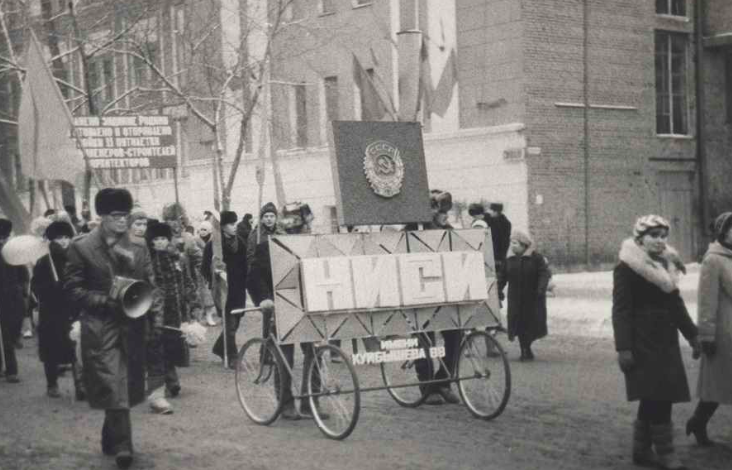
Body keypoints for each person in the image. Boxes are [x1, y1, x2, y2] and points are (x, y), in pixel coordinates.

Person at [64, 188, 163, 469]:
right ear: (102, 216)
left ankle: (111, 434)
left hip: (133, 324)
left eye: (125, 215)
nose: (123, 221)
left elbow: (152, 286)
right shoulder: (81, 246)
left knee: (127, 385)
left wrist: (155, 320)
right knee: (113, 380)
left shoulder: (139, 246)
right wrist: (105, 301)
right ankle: (124, 446)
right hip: (100, 324)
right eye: (116, 216)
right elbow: (72, 289)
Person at [612, 214, 700, 470]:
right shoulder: (627, 268)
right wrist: (623, 347)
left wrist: (692, 335)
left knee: (655, 397)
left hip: (666, 341)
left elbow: (676, 304)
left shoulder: (666, 265)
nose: (660, 241)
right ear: (639, 238)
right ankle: (665, 453)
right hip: (642, 342)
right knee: (658, 396)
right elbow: (621, 310)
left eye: (663, 236)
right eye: (654, 236)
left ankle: (641, 450)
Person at [246, 202, 320, 419]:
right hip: (281, 304)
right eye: (299, 224)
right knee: (285, 356)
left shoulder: (311, 247)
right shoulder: (267, 245)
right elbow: (253, 275)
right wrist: (264, 299)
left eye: (305, 225)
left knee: (314, 352)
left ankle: (311, 401)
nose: (303, 228)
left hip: (307, 305)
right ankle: (285, 403)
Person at [412, 191, 463, 406]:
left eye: (446, 212)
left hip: (446, 291)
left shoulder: (449, 232)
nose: (444, 216)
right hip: (420, 291)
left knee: (455, 334)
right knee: (424, 338)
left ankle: (443, 382)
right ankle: (426, 385)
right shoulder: (414, 231)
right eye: (440, 212)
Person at [686, 211, 732, 447]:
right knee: (717, 385)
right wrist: (706, 335)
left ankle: (697, 422)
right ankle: (698, 421)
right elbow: (706, 301)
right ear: (723, 232)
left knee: (722, 384)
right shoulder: (713, 260)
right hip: (724, 335)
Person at [146, 221, 199, 412]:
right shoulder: (148, 261)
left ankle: (170, 377)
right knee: (158, 345)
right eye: (156, 239)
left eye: (163, 239)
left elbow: (188, 281)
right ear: (150, 242)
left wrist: (193, 303)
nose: (160, 242)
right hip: (156, 311)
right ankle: (170, 380)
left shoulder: (178, 258)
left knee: (174, 343)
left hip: (176, 309)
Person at [32, 221, 85, 399]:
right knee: (51, 349)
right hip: (52, 312)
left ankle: (80, 385)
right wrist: (52, 288)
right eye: (59, 238)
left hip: (73, 308)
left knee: (76, 345)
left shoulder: (77, 258)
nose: (63, 241)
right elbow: (36, 287)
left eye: (66, 237)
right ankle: (52, 383)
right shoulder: (43, 262)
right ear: (51, 240)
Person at [203, 210, 247, 368]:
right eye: (231, 224)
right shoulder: (213, 246)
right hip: (223, 290)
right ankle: (232, 357)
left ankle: (219, 348)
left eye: (235, 223)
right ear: (222, 227)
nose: (234, 227)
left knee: (236, 323)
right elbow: (204, 267)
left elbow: (245, 264)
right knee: (230, 324)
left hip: (239, 289)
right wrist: (214, 275)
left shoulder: (240, 242)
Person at [497, 230, 550, 360]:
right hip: (515, 298)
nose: (512, 245)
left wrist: (541, 289)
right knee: (519, 324)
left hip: (532, 298)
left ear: (523, 245)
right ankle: (524, 349)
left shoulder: (536, 258)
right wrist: (498, 291)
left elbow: (544, 274)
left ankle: (527, 346)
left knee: (531, 324)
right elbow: (502, 277)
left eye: (515, 243)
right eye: (511, 243)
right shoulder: (509, 260)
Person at [161, 203, 204, 324]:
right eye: (171, 219)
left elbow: (200, 260)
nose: (175, 223)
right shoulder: (160, 239)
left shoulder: (188, 238)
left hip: (185, 288)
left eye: (178, 219)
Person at [0, 218, 29, 383]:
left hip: (9, 296)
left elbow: (23, 276)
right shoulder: (12, 252)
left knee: (6, 333)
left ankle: (7, 369)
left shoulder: (11, 252)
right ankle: (11, 370)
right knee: (6, 334)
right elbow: (24, 276)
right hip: (11, 297)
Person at [195, 221, 218, 326]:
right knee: (200, 295)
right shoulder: (195, 240)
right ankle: (202, 316)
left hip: (210, 270)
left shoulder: (213, 241)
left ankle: (208, 314)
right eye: (201, 229)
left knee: (208, 294)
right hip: (197, 270)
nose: (202, 232)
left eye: (205, 230)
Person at [486, 203, 512, 270]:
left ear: (496, 211)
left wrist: (499, 257)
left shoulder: (504, 223)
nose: (489, 212)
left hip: (497, 256)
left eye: (490, 210)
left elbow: (504, 242)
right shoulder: (505, 222)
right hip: (493, 254)